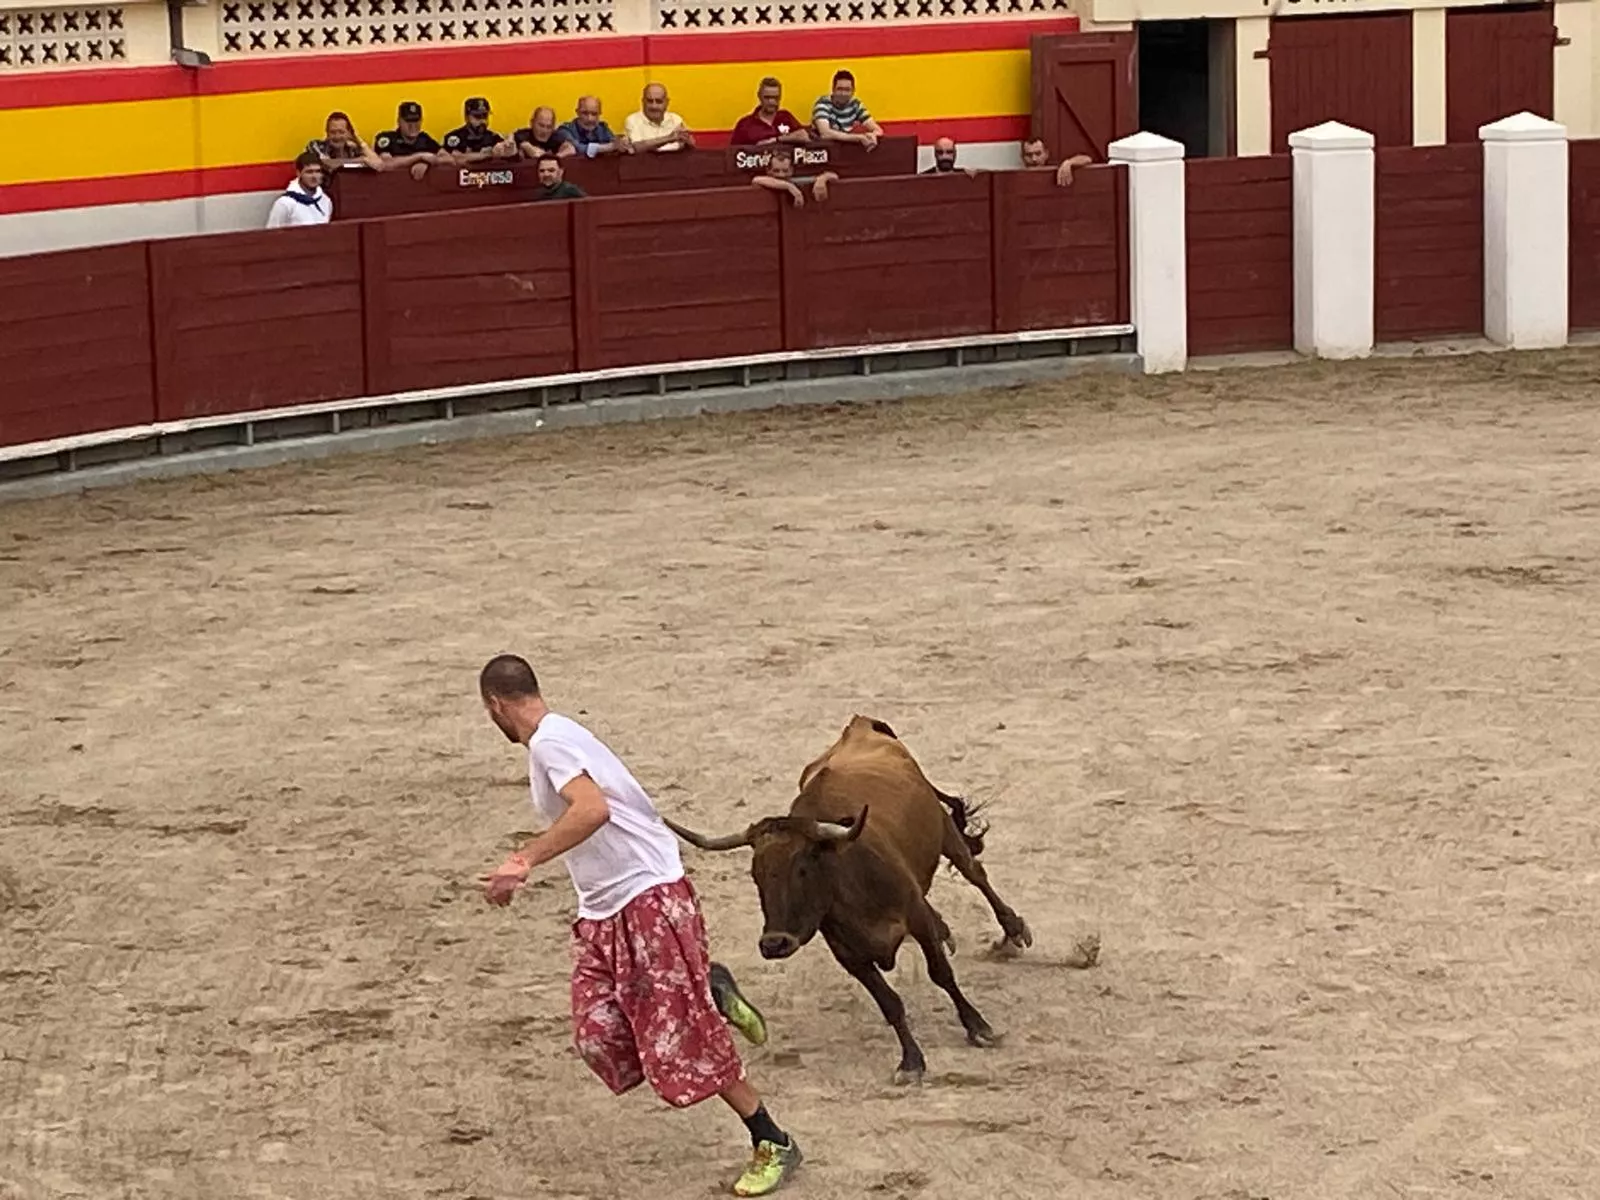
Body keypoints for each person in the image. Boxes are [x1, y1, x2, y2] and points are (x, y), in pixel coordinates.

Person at [476, 654, 803, 1197]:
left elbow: (591, 810)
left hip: (649, 899)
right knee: (598, 1035)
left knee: (682, 1040)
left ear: (495, 705)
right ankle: (708, 988)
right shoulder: (558, 736)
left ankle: (773, 1141)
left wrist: (523, 860)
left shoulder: (551, 743)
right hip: (604, 911)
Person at [812, 69, 880, 151]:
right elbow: (825, 133)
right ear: (833, 90)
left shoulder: (855, 104)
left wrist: (872, 136)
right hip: (824, 152)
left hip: (845, 150)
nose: (843, 93)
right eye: (840, 89)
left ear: (853, 91)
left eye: (847, 90)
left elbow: (877, 130)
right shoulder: (823, 103)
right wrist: (858, 138)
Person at [374, 100, 443, 181]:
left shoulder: (425, 139)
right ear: (399, 121)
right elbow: (385, 164)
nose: (413, 125)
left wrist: (428, 163)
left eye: (416, 121)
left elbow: (448, 159)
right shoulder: (387, 139)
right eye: (408, 121)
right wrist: (419, 157)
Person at [731, 77, 810, 147]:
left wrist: (776, 140)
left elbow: (804, 136)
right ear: (759, 96)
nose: (771, 102)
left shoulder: (786, 117)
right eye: (767, 98)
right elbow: (733, 154)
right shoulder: (745, 124)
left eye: (775, 98)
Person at [265, 151, 332, 228]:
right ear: (298, 173)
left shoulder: (326, 200)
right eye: (309, 172)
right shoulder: (284, 203)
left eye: (318, 171)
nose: (314, 176)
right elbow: (272, 234)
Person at [624, 82, 694, 153]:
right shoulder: (632, 120)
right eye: (649, 101)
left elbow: (683, 146)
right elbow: (637, 147)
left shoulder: (675, 119)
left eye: (659, 101)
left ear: (667, 103)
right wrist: (670, 138)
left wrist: (689, 142)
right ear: (643, 101)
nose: (654, 106)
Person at [306, 111, 380, 173]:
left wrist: (357, 139)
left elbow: (379, 165)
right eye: (333, 132)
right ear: (327, 133)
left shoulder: (353, 149)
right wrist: (361, 160)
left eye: (341, 132)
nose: (337, 136)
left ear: (348, 133)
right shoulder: (316, 145)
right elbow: (327, 164)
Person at [1021, 136, 1093, 187]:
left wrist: (1069, 163)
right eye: (1029, 155)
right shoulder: (1018, 178)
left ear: (1046, 154)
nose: (1034, 159)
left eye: (1038, 154)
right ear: (1023, 157)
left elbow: (1087, 159)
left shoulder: (1055, 168)